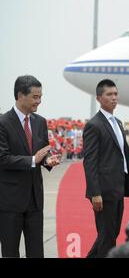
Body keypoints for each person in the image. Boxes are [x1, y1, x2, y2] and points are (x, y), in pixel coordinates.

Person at [0, 75, 61, 258]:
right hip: (10, 202)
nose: (39, 101)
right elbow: (2, 158)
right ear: (20, 95)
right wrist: (33, 160)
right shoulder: (3, 123)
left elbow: (42, 151)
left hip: (35, 199)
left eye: (40, 96)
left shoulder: (40, 121)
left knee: (36, 252)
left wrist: (47, 160)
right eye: (35, 97)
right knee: (10, 252)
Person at [83, 79, 129, 258]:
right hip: (104, 191)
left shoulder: (118, 122)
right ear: (99, 98)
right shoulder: (94, 125)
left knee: (110, 234)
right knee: (107, 237)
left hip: (118, 187)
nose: (114, 98)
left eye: (115, 94)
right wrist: (94, 192)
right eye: (109, 94)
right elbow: (90, 161)